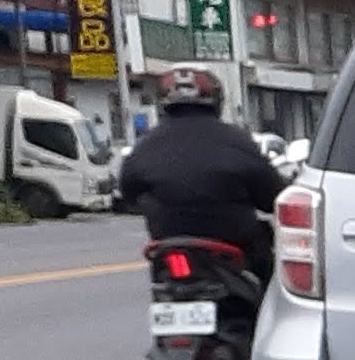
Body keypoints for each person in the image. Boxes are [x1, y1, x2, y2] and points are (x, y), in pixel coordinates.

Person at [118, 66, 280, 267]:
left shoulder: (145, 144)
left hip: (168, 245)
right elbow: (271, 197)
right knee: (265, 247)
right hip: (232, 247)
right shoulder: (238, 140)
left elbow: (128, 192)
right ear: (217, 100)